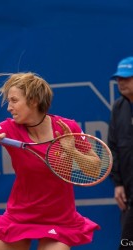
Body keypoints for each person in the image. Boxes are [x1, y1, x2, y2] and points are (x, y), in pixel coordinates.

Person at [0, 72, 100, 250]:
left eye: (14, 100)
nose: (9, 107)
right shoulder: (8, 128)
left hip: (60, 220)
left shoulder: (67, 128)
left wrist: (72, 150)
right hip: (20, 217)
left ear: (33, 100)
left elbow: (95, 170)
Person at [108, 57, 133, 249]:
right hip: (129, 197)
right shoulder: (118, 107)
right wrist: (118, 184)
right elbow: (113, 147)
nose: (121, 82)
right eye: (119, 78)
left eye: (127, 77)